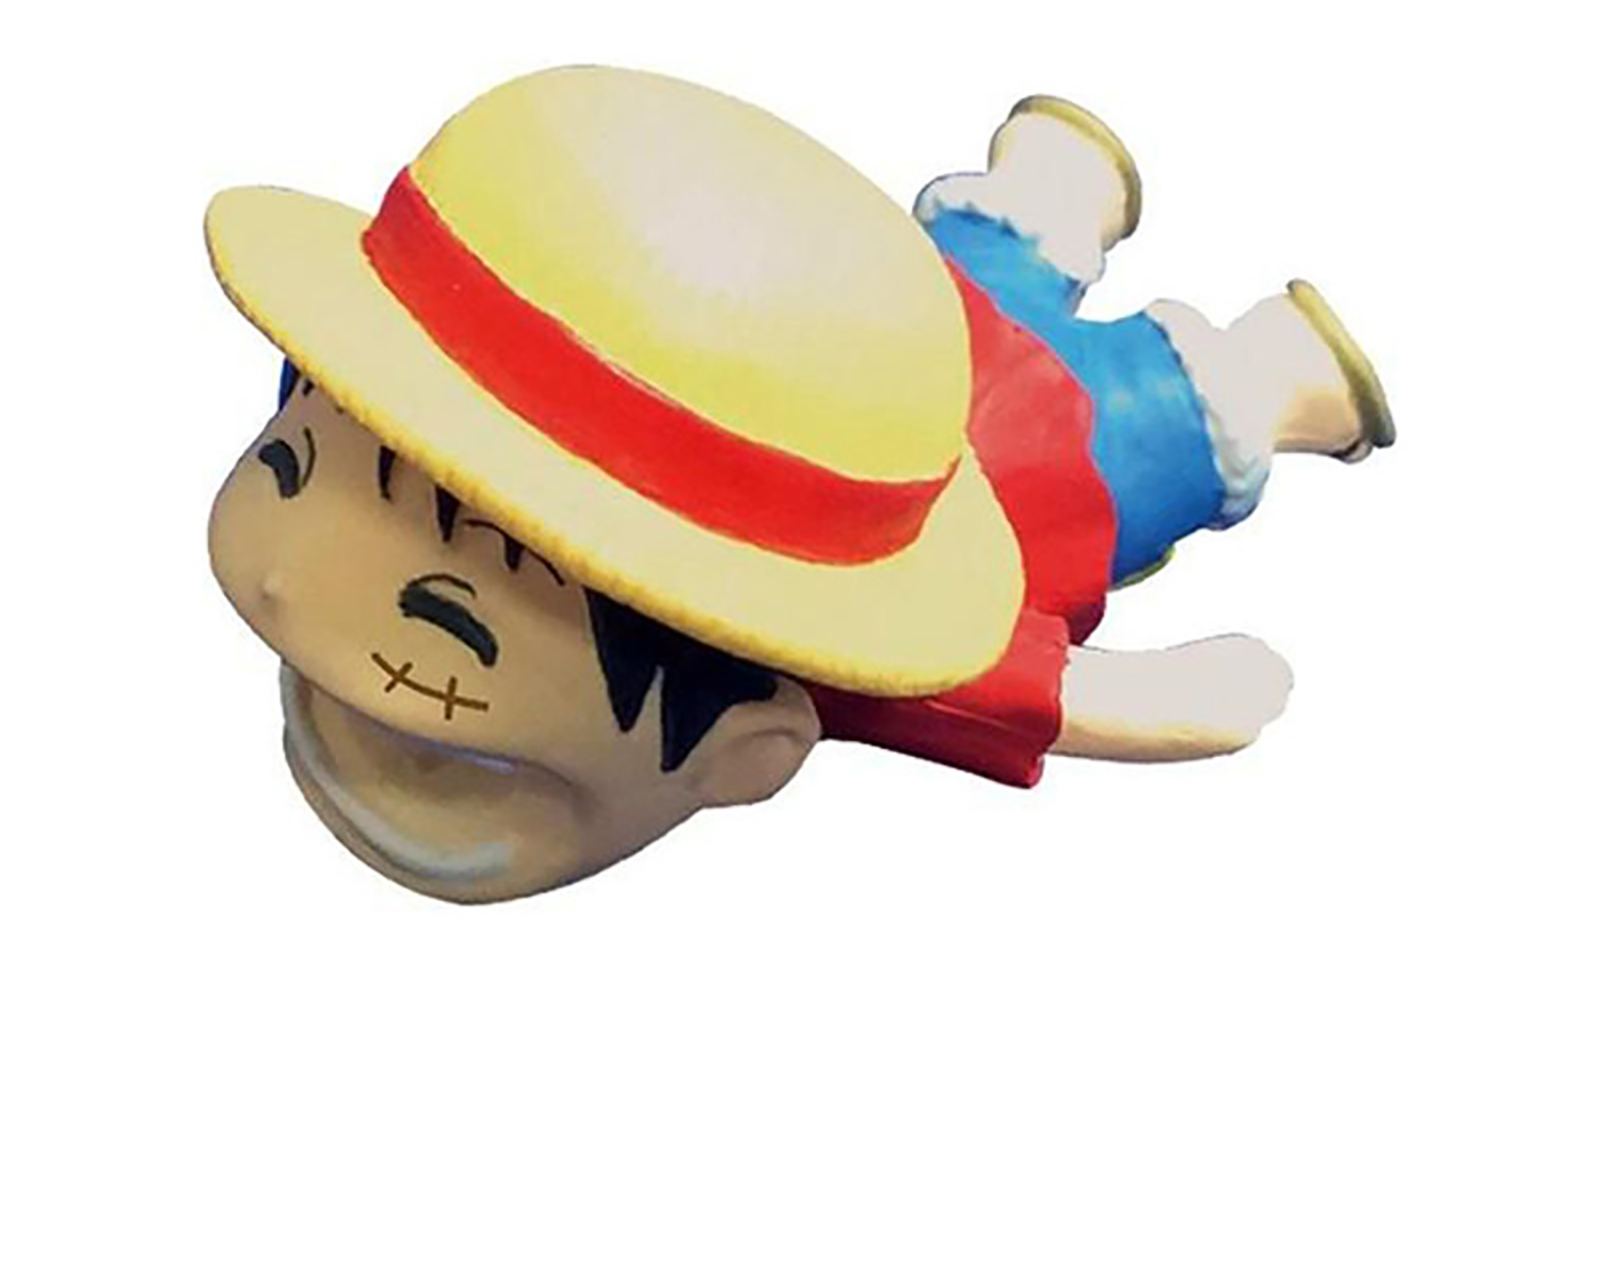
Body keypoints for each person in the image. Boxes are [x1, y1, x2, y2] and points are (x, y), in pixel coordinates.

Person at [207, 67, 1393, 902]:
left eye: (450, 617)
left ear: (748, 752)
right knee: (998, 260)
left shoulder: (878, 657)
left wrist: (1195, 699)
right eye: (296, 467)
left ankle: (1270, 373)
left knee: (1164, 417)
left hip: (1036, 461)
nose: (292, 583)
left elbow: (1083, 694)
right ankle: (1058, 191)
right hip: (848, 346)